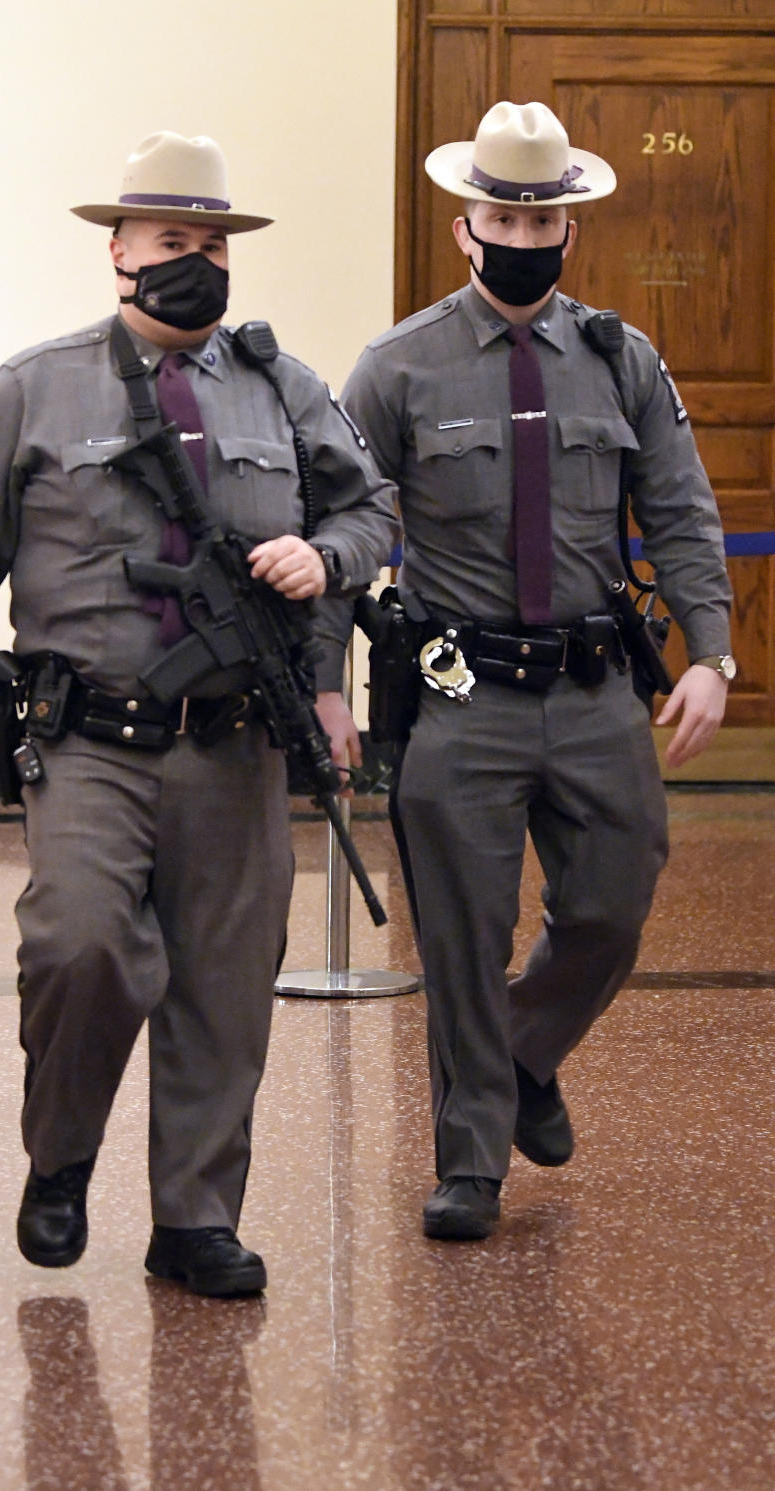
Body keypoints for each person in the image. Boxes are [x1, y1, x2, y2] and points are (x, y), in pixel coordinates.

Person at [0, 131, 396, 1294]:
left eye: (215, 244)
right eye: (174, 241)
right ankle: (62, 1157)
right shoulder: (34, 386)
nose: (199, 263)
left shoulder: (285, 386)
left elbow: (373, 512)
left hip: (234, 745)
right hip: (88, 740)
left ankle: (193, 1221)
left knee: (226, 987)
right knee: (78, 948)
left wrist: (323, 558)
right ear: (117, 251)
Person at [342, 101, 733, 1242]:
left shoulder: (622, 358)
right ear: (465, 226)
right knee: (461, 934)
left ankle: (522, 1052)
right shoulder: (396, 367)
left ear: (570, 229)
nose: (520, 237)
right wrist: (328, 687)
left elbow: (682, 511)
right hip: (461, 694)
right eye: (499, 218)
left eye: (541, 219)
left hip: (596, 688)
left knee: (614, 905)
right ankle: (470, 1161)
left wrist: (708, 651)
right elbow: (342, 525)